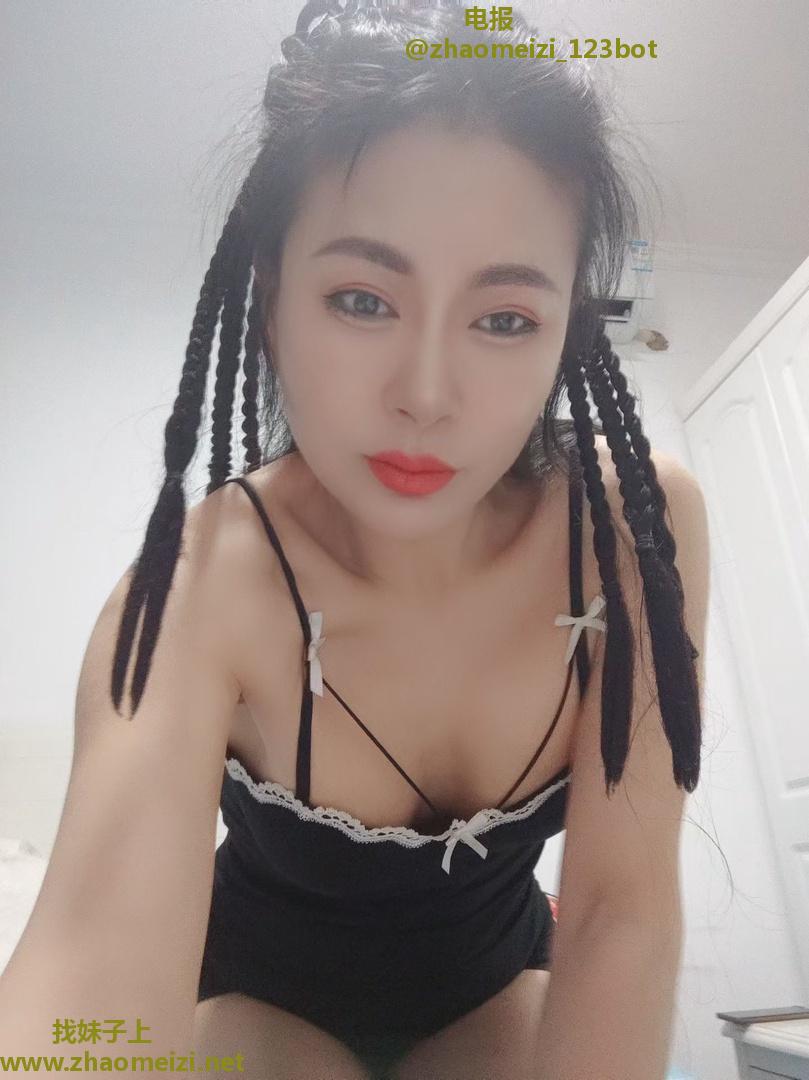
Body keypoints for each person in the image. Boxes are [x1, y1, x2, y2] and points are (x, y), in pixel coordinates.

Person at [0, 2, 709, 1078]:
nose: (425, 394)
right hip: (253, 1014)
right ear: (271, 304)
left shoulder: (631, 525)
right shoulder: (202, 584)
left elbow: (623, 910)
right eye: (362, 300)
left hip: (499, 998)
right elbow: (89, 970)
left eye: (505, 319)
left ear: (565, 332)